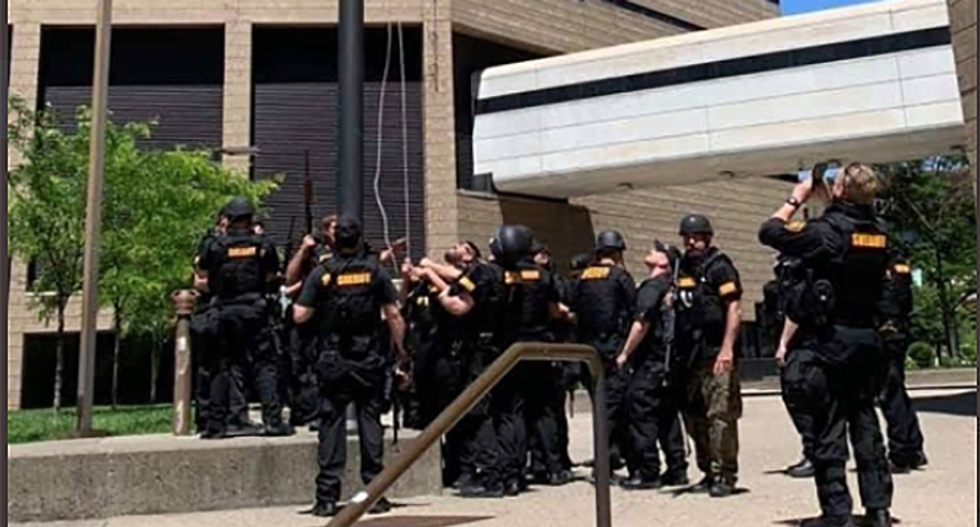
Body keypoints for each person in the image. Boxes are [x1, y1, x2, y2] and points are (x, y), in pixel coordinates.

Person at [759, 162, 894, 527]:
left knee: (828, 428)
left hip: (829, 341)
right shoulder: (879, 232)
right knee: (865, 423)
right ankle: (878, 509)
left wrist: (796, 197)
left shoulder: (826, 232)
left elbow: (769, 231)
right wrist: (829, 200)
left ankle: (837, 514)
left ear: (838, 191)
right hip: (867, 340)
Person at [293, 214, 409, 518]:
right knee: (371, 425)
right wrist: (400, 349)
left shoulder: (322, 273)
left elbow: (299, 315)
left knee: (331, 427)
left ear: (334, 240)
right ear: (359, 239)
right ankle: (374, 495)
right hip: (369, 360)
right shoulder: (375, 272)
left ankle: (327, 498)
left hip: (332, 361)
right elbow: (394, 315)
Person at [416, 241, 505, 497]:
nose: (455, 248)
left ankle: (491, 476)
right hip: (479, 352)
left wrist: (433, 276)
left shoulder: (481, 273)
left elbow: (459, 305)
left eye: (461, 246)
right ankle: (477, 471)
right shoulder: (492, 273)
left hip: (476, 353)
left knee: (477, 413)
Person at [195, 198, 290, 438]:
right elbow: (271, 274)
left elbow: (202, 271)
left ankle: (216, 425)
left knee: (221, 367)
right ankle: (272, 421)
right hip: (255, 310)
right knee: (265, 365)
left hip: (224, 310)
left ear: (228, 219)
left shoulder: (214, 245)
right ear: (250, 218)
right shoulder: (263, 245)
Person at [490, 225, 566, 495]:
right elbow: (555, 309)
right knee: (544, 410)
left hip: (510, 351)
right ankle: (552, 467)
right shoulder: (543, 275)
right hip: (541, 349)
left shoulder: (500, 274)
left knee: (512, 414)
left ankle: (513, 474)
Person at [674, 213, 743, 498]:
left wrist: (727, 348)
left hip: (716, 353)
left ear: (708, 237)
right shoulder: (682, 270)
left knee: (720, 416)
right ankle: (707, 470)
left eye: (698, 236)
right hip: (690, 356)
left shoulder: (720, 267)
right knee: (694, 416)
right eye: (688, 237)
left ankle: (725, 474)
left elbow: (734, 308)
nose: (692, 241)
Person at [614, 241, 689, 489]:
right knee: (667, 416)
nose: (650, 251)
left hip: (650, 362)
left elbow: (641, 323)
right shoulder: (675, 288)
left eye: (656, 251)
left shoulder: (652, 287)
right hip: (670, 364)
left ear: (664, 263)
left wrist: (625, 353)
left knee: (641, 413)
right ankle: (677, 469)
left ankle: (648, 472)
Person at [572, 230, 636, 480]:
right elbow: (634, 311)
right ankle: (607, 461)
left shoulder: (583, 277)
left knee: (601, 406)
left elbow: (574, 311)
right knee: (615, 409)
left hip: (588, 352)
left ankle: (610, 455)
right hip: (615, 350)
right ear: (618, 253)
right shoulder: (621, 277)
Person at [877, 255, 927, 474]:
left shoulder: (879, 270)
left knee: (889, 394)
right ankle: (914, 448)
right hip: (899, 331)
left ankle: (901, 452)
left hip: (884, 333)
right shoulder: (900, 266)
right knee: (898, 392)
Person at [772, 255, 817, 479]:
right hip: (802, 347)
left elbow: (795, 313)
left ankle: (814, 453)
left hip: (802, 347)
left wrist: (782, 345)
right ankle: (815, 452)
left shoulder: (801, 279)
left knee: (799, 398)